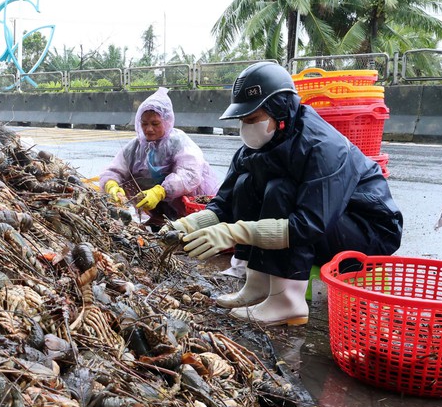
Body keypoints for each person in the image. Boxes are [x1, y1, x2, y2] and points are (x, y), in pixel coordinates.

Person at [166, 62, 403, 326]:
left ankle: (287, 301)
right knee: (246, 182)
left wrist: (234, 232)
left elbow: (309, 224)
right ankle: (257, 284)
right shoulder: (258, 147)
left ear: (280, 111)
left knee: (282, 190)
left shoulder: (323, 147)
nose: (246, 126)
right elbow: (226, 202)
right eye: (243, 120)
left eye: (252, 118)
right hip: (324, 223)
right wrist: (183, 226)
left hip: (367, 233)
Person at [99, 87, 219, 229]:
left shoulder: (179, 142)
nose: (149, 129)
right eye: (144, 123)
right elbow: (115, 169)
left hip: (185, 206)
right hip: (154, 205)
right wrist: (111, 184)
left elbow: (190, 174)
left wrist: (161, 191)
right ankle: (157, 218)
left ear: (167, 121)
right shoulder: (135, 146)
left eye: (155, 124)